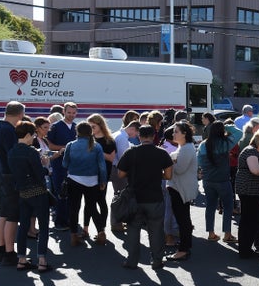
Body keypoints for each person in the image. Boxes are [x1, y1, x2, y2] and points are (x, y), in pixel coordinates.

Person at [117, 125, 174, 270]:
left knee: (133, 230)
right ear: (154, 136)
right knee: (156, 230)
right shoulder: (162, 153)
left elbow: (120, 174)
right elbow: (168, 175)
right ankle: (157, 261)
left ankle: (132, 261)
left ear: (139, 136)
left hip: (134, 198)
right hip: (155, 197)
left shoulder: (131, 152)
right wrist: (156, 174)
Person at [7, 121, 52, 272]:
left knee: (23, 226)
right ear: (27, 135)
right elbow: (39, 174)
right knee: (44, 226)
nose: (33, 138)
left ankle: (21, 259)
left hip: (22, 192)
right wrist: (46, 167)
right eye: (32, 135)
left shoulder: (12, 151)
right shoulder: (31, 152)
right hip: (38, 192)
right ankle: (42, 261)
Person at [0, 100, 26, 266]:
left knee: (3, 214)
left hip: (3, 174)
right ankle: (10, 253)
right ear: (20, 114)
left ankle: (3, 249)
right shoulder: (8, 130)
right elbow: (14, 155)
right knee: (12, 217)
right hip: (11, 176)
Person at [63, 121, 108, 247]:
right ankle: (101, 232)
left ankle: (74, 236)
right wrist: (103, 181)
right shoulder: (97, 146)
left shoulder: (70, 145)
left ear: (77, 132)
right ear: (91, 132)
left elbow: (65, 164)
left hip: (74, 179)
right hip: (92, 181)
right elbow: (102, 167)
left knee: (74, 208)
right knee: (92, 207)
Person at [197, 121, 243, 242]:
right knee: (228, 207)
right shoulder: (225, 143)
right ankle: (227, 234)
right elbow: (239, 133)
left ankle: (211, 233)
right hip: (222, 180)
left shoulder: (203, 144)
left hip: (208, 180)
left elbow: (199, 161)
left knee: (210, 206)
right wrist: (226, 126)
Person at [165, 121, 199, 263]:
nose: (173, 134)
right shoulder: (183, 147)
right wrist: (173, 158)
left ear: (184, 134)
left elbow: (178, 170)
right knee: (183, 218)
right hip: (179, 188)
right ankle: (185, 246)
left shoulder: (186, 149)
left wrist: (170, 160)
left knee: (182, 219)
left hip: (181, 189)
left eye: (176, 131)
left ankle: (183, 250)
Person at [235, 129, 259, 258]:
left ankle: (245, 249)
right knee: (249, 220)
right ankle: (245, 250)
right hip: (249, 191)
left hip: (251, 191)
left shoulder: (252, 151)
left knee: (250, 220)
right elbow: (255, 170)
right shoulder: (251, 151)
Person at [46, 101, 78, 231]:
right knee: (60, 193)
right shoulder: (55, 126)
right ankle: (60, 222)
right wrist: (66, 148)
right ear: (63, 112)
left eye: (74, 113)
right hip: (59, 165)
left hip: (74, 166)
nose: (71, 115)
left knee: (72, 195)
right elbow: (49, 145)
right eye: (69, 112)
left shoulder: (77, 127)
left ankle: (70, 220)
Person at [85, 114, 116, 241]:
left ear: (100, 125)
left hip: (103, 174)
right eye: (89, 126)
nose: (91, 129)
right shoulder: (88, 139)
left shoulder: (109, 140)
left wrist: (97, 151)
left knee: (101, 201)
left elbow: (111, 158)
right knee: (89, 202)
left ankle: (101, 228)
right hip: (89, 174)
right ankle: (90, 228)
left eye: (93, 126)